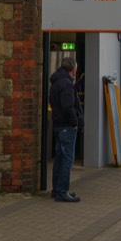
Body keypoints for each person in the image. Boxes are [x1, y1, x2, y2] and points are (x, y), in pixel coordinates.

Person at [49, 56, 83, 202]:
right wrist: (75, 121)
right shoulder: (67, 85)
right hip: (66, 126)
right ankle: (62, 191)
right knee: (66, 160)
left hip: (58, 124)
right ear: (73, 69)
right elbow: (68, 107)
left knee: (59, 158)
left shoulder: (56, 83)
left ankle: (57, 189)